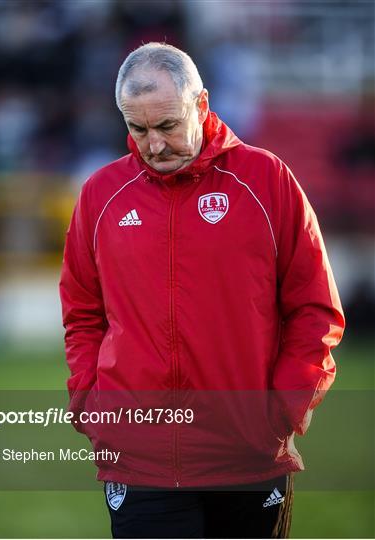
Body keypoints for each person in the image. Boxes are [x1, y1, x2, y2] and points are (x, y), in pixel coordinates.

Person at [59, 43, 345, 539]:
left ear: (202, 105)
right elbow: (82, 313)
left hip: (247, 458)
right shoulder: (100, 196)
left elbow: (314, 309)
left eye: (167, 126)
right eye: (137, 128)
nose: (153, 145)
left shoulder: (267, 181)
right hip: (139, 460)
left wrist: (281, 410)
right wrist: (92, 403)